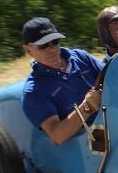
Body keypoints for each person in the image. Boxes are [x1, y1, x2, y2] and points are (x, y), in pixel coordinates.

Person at [20, 15, 109, 145]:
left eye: (55, 42)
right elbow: (57, 136)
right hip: (90, 141)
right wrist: (87, 107)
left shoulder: (80, 56)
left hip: (113, 119)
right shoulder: (34, 90)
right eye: (43, 45)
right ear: (28, 50)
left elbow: (112, 76)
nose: (51, 48)